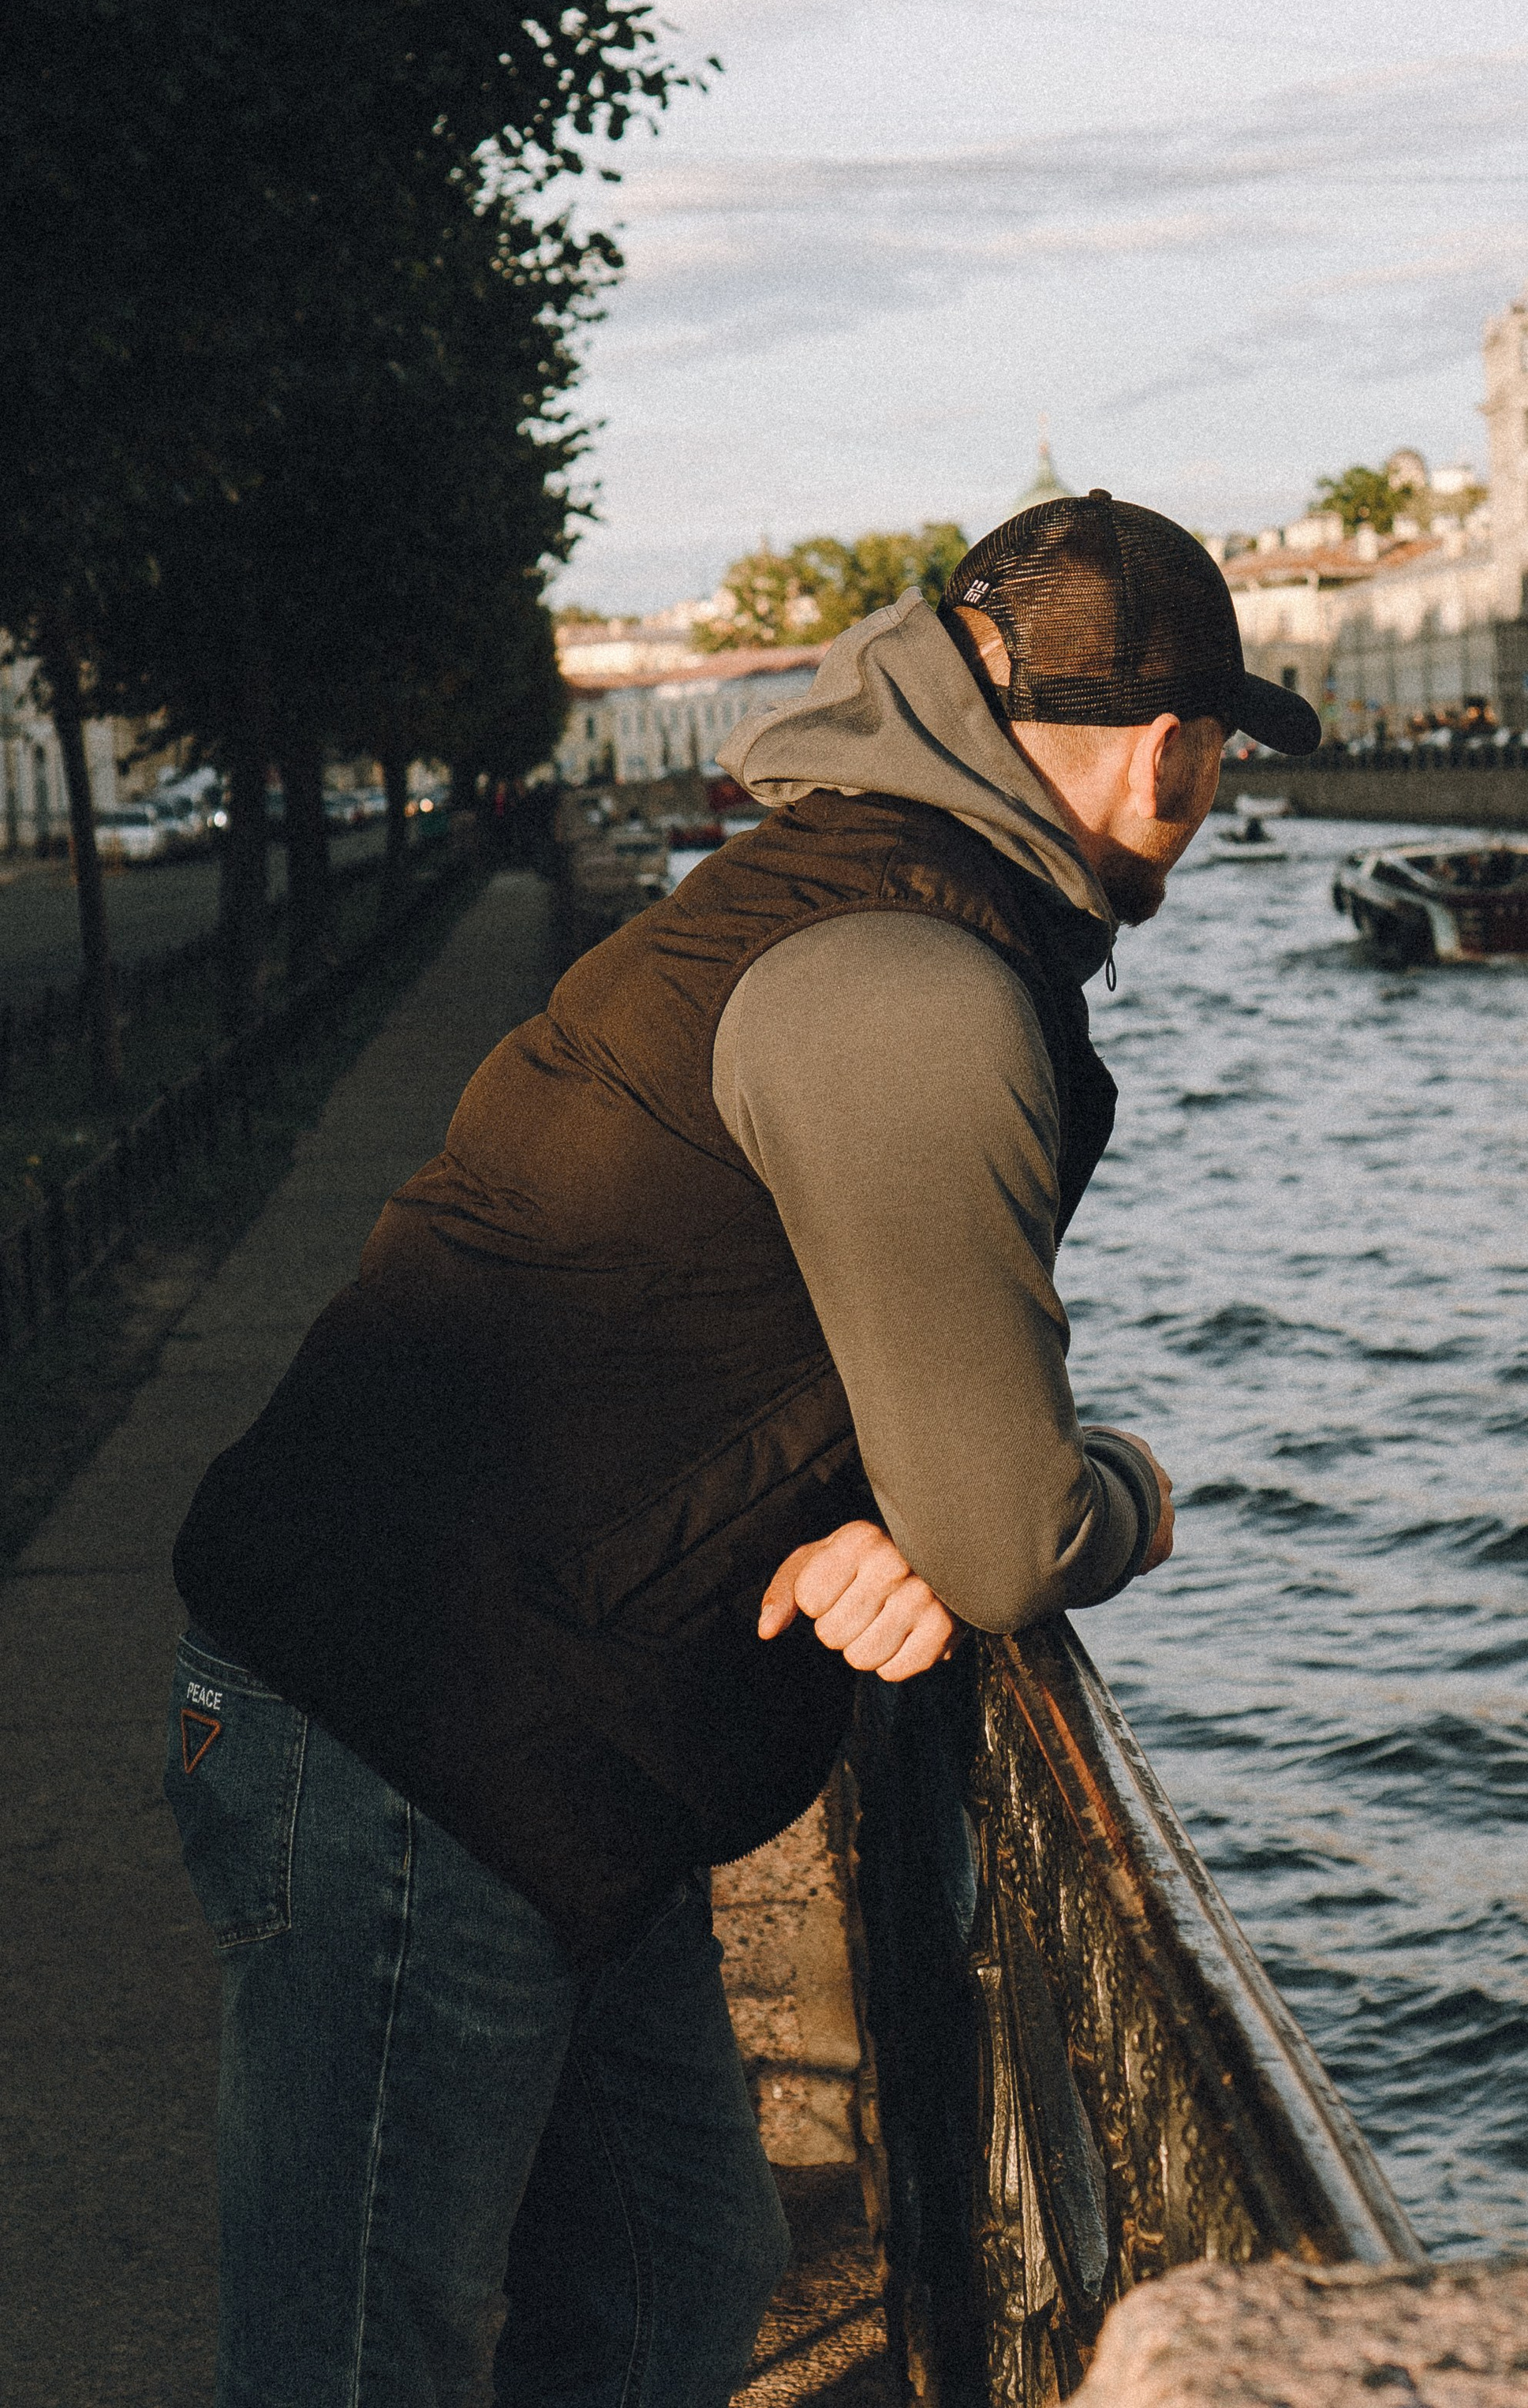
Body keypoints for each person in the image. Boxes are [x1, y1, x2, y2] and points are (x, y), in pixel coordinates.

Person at [165, 488, 1321, 2408]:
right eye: (1166, 723)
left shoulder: (852, 891)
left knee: (670, 2285)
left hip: (524, 1722)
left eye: (1202, 728)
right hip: (405, 1733)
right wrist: (1115, 1489)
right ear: (1089, 734)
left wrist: (893, 1504)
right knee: (361, 2360)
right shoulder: (915, 987)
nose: (1186, 766)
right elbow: (1016, 1532)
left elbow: (819, 1384)